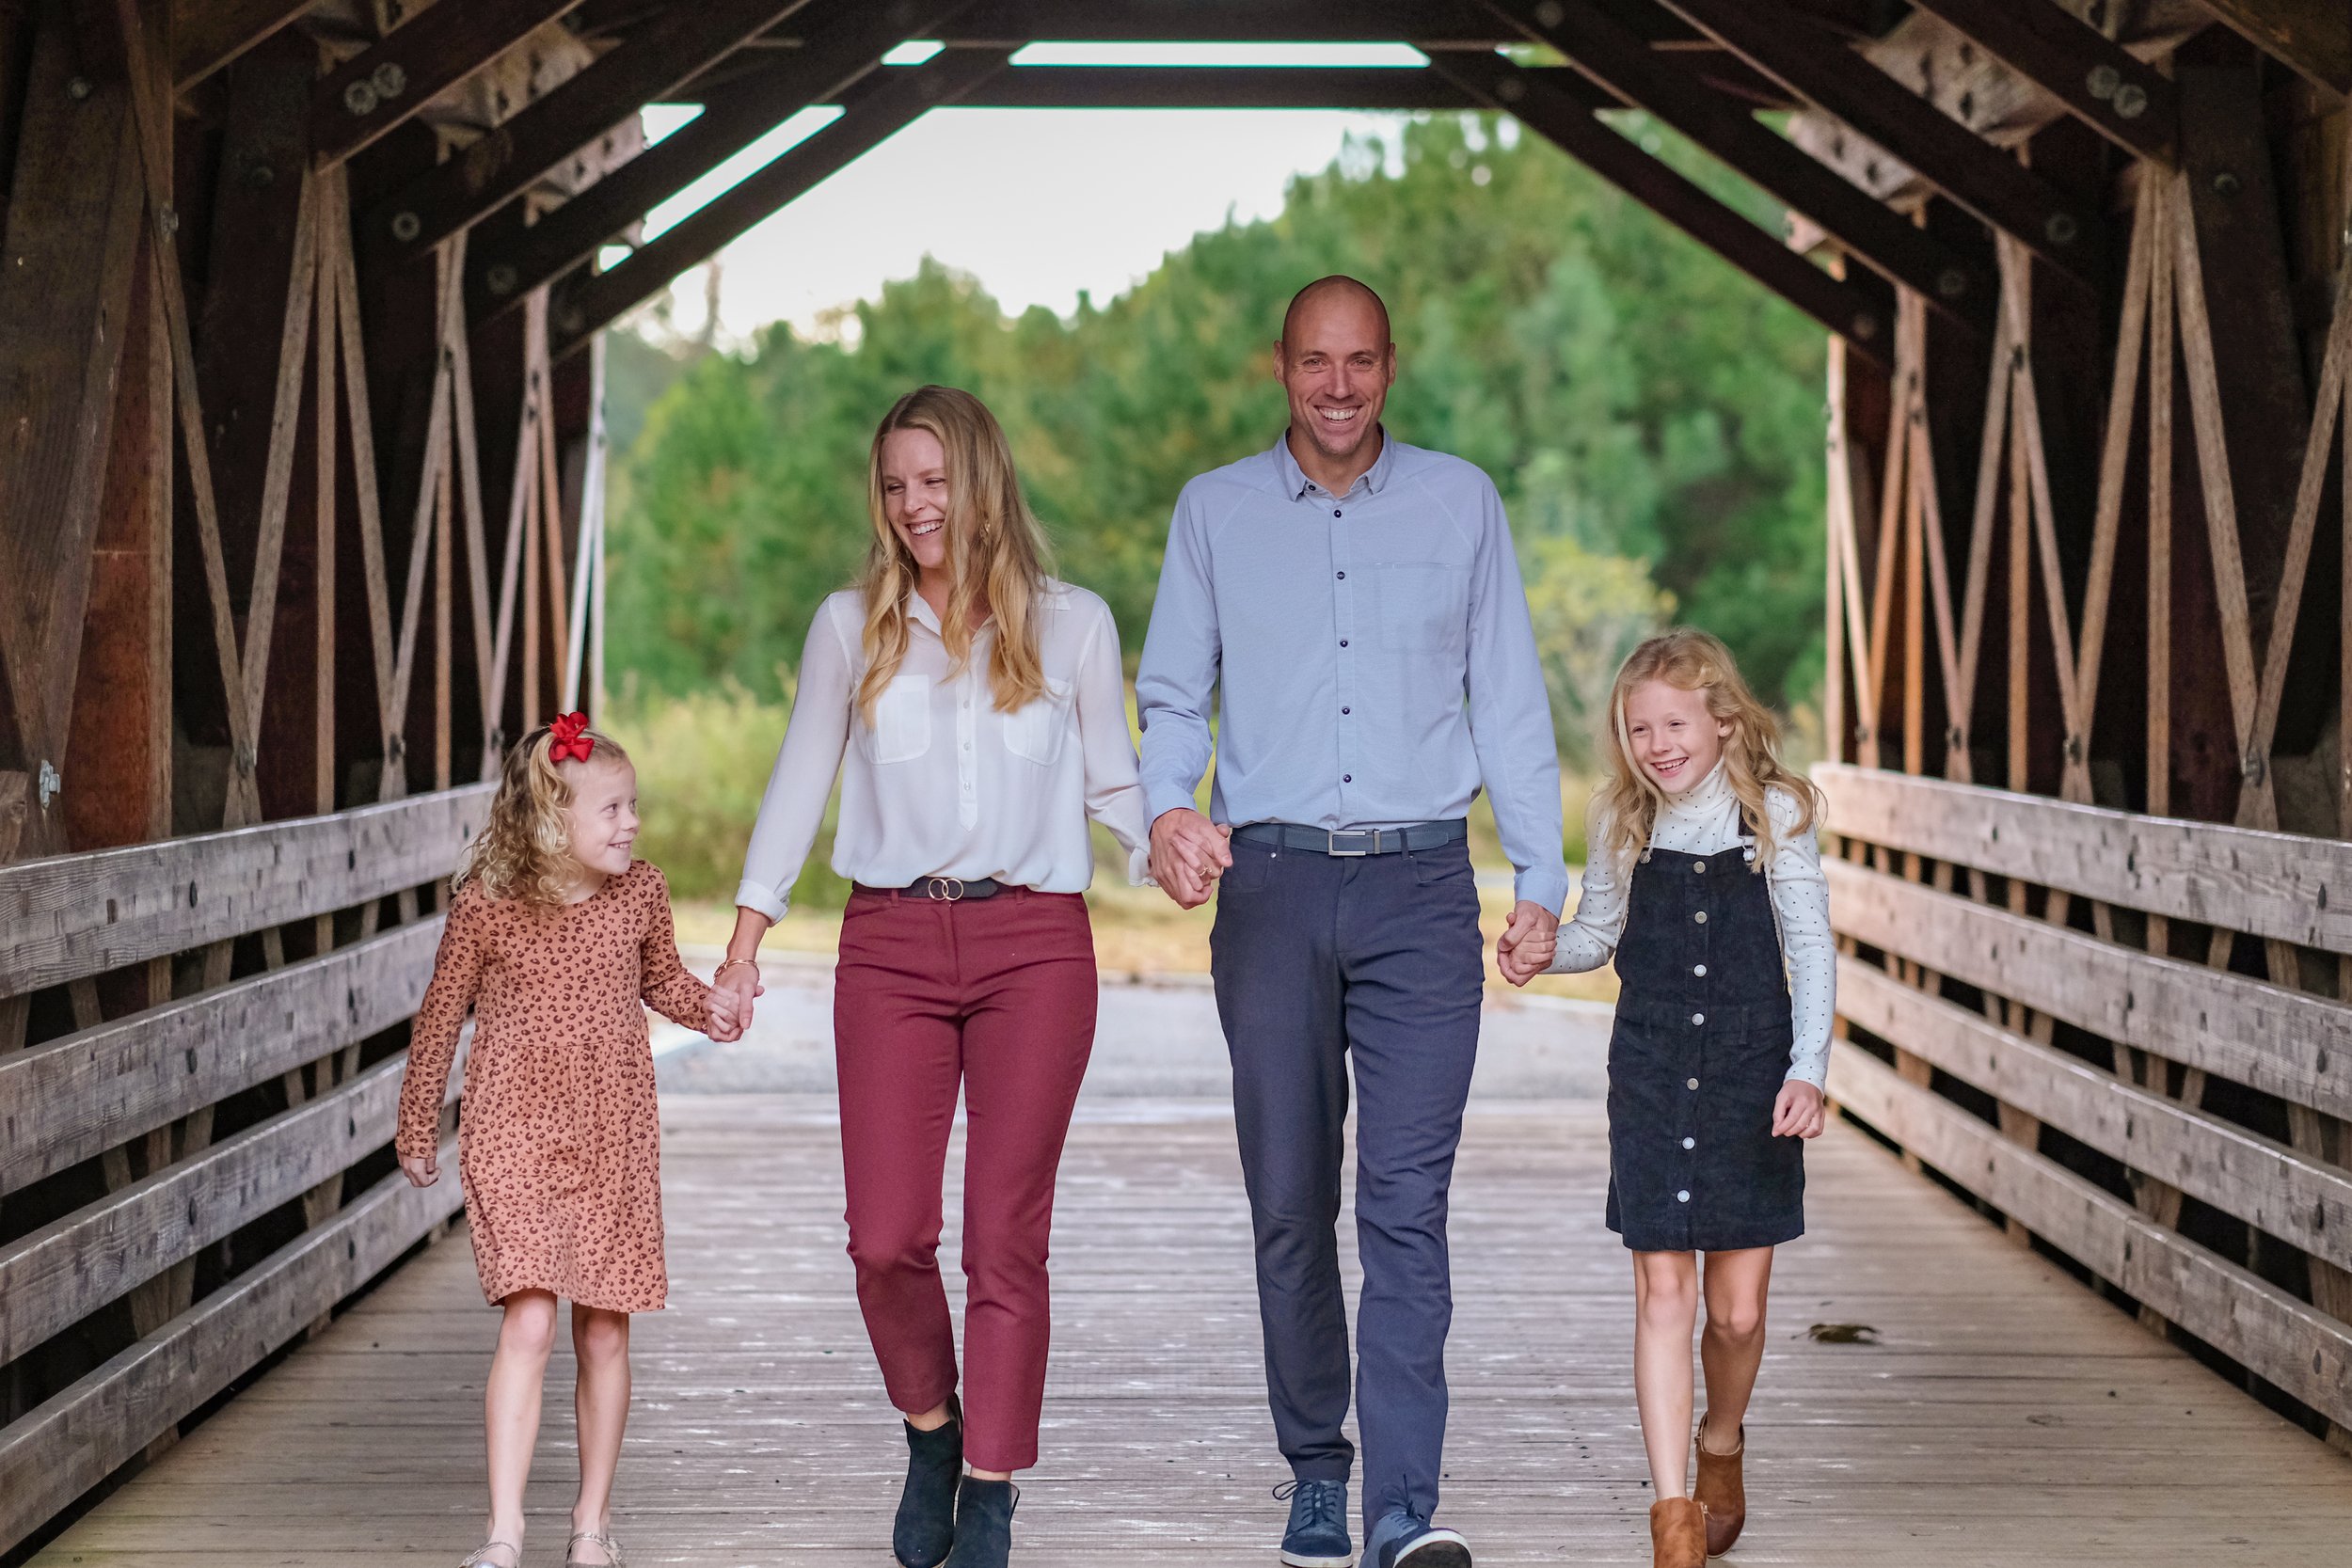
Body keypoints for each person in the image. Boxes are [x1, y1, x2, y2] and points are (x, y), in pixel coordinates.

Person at [1136, 276, 1567, 1568]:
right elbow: (1169, 693)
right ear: (1281, 368)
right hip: (1267, 890)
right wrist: (1166, 809)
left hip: (1422, 890)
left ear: (1393, 363)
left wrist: (1541, 871)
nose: (1338, 386)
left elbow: (1511, 700)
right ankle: (1316, 1468)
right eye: (1316, 362)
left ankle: (1402, 1505)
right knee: (1288, 1195)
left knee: (1404, 1201)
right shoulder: (1214, 512)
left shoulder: (1461, 503)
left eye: (1362, 361)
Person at [713, 385, 1152, 1568]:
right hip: (890, 946)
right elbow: (799, 781)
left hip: (1035, 947)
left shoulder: (1073, 626)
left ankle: (993, 1488)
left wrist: (1173, 842)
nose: (915, 504)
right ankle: (930, 1425)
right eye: (897, 483)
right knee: (883, 1235)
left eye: (935, 479)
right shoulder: (849, 625)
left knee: (1003, 1237)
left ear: (983, 480)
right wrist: (746, 943)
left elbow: (1117, 789)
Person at [397, 713, 739, 1568]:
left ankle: (591, 1523)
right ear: (554, 819)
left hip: (612, 1132)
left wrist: (716, 1010)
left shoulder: (642, 893)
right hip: (512, 1127)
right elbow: (440, 1016)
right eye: (613, 808)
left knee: (605, 1331)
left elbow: (663, 982)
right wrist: (416, 1122)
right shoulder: (487, 907)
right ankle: (504, 1530)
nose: (632, 823)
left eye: (634, 807)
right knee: (531, 1320)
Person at [1533, 628, 1832, 1568]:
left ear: (1723, 720)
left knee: (1735, 1311)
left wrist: (1807, 1067)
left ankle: (1722, 1440)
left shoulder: (1774, 811)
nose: (1656, 744)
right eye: (1637, 728)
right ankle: (1673, 1518)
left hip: (1751, 1070)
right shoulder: (1620, 817)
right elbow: (1597, 934)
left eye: (1673, 723)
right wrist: (1543, 948)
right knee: (1664, 1288)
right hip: (1654, 1070)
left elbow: (1810, 947)